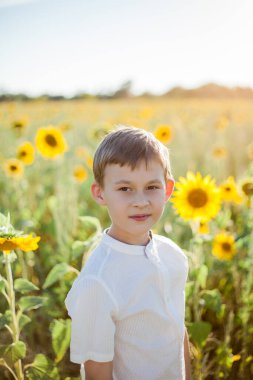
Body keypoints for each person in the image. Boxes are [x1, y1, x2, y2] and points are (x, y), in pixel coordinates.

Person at [65, 126, 191, 380]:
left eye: (152, 187)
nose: (141, 200)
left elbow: (179, 333)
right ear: (100, 193)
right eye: (125, 189)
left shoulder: (173, 255)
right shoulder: (97, 282)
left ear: (167, 190)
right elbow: (97, 371)